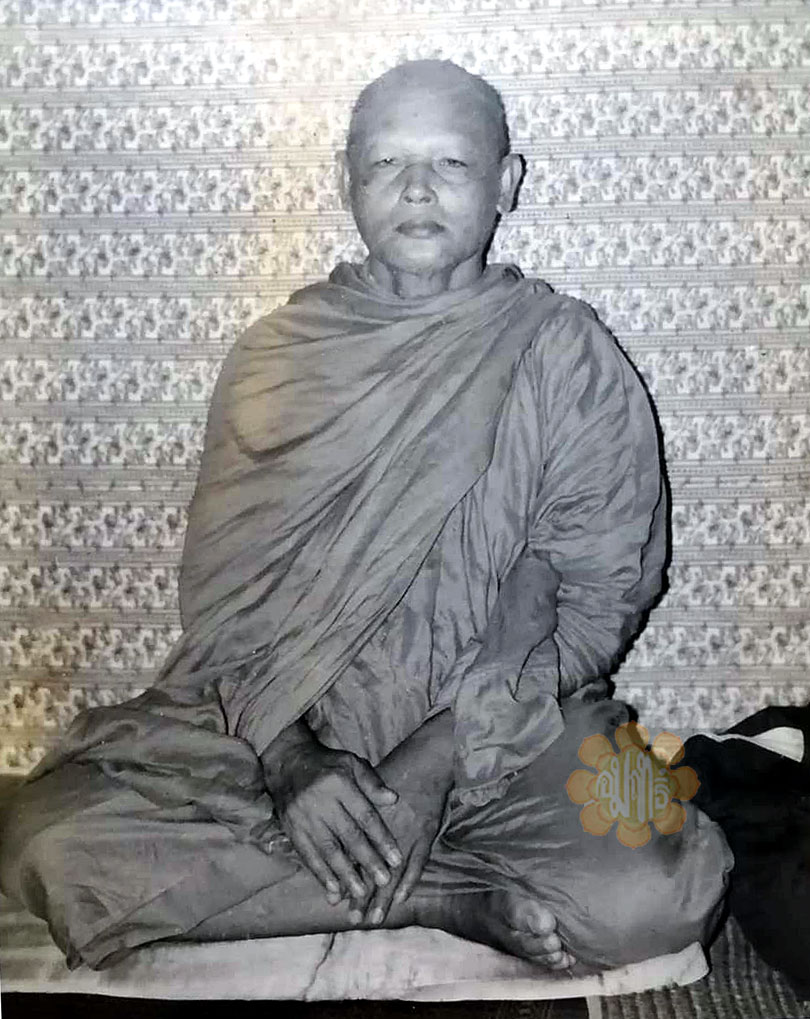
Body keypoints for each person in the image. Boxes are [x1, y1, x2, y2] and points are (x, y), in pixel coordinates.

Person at [0, 59, 732, 975]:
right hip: (290, 719)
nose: (416, 188)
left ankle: (337, 869)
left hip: (509, 729)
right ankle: (438, 897)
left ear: (505, 183)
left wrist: (436, 759)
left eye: (451, 163)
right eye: (386, 163)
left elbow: (594, 604)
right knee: (45, 838)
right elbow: (226, 608)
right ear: (345, 180)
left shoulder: (567, 355)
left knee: (662, 890)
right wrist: (289, 760)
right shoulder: (277, 356)